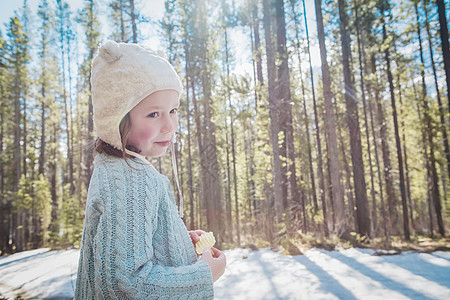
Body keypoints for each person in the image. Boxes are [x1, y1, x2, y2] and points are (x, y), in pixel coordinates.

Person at [75, 40, 226, 299]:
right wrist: (204, 275)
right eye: (154, 114)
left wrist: (175, 240)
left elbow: (128, 245)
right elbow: (125, 286)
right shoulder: (132, 180)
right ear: (118, 119)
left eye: (173, 110)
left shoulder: (117, 168)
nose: (170, 125)